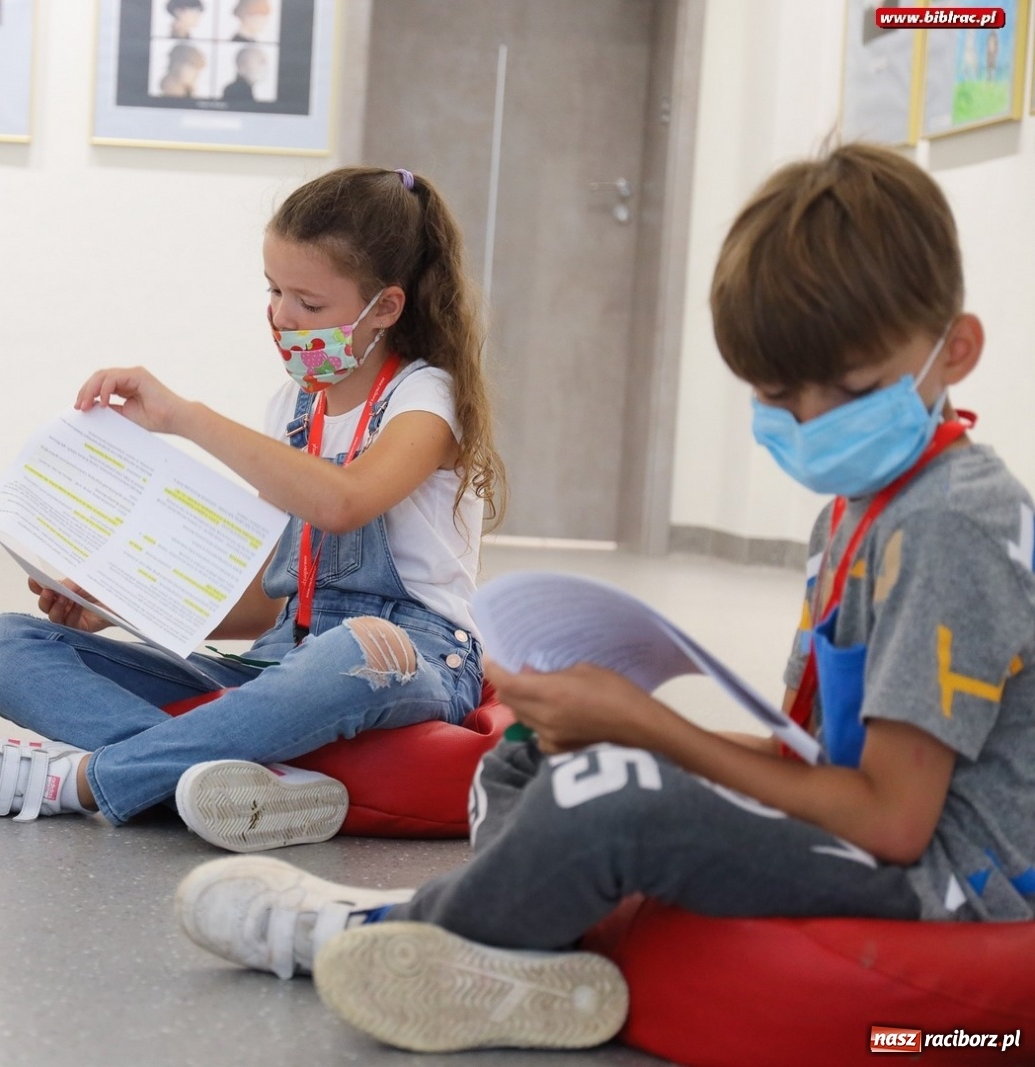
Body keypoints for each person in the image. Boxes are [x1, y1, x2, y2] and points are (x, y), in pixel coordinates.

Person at [171, 143, 1035, 1053]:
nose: (814, 422)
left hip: (948, 881)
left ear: (958, 350)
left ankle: (381, 931)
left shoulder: (948, 527)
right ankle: (523, 948)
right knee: (528, 758)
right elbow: (824, 762)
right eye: (781, 396)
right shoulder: (866, 509)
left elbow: (893, 821)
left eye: (850, 390)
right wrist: (620, 726)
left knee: (613, 802)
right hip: (875, 825)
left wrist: (652, 726)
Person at [0, 167, 503, 853]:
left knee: (355, 647)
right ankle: (240, 778)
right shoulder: (294, 410)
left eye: (308, 302)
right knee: (5, 644)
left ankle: (81, 781)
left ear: (386, 308)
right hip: (285, 656)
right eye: (274, 291)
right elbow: (266, 602)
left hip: (412, 655)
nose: (281, 317)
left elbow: (345, 502)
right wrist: (113, 607)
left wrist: (185, 418)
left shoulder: (427, 398)